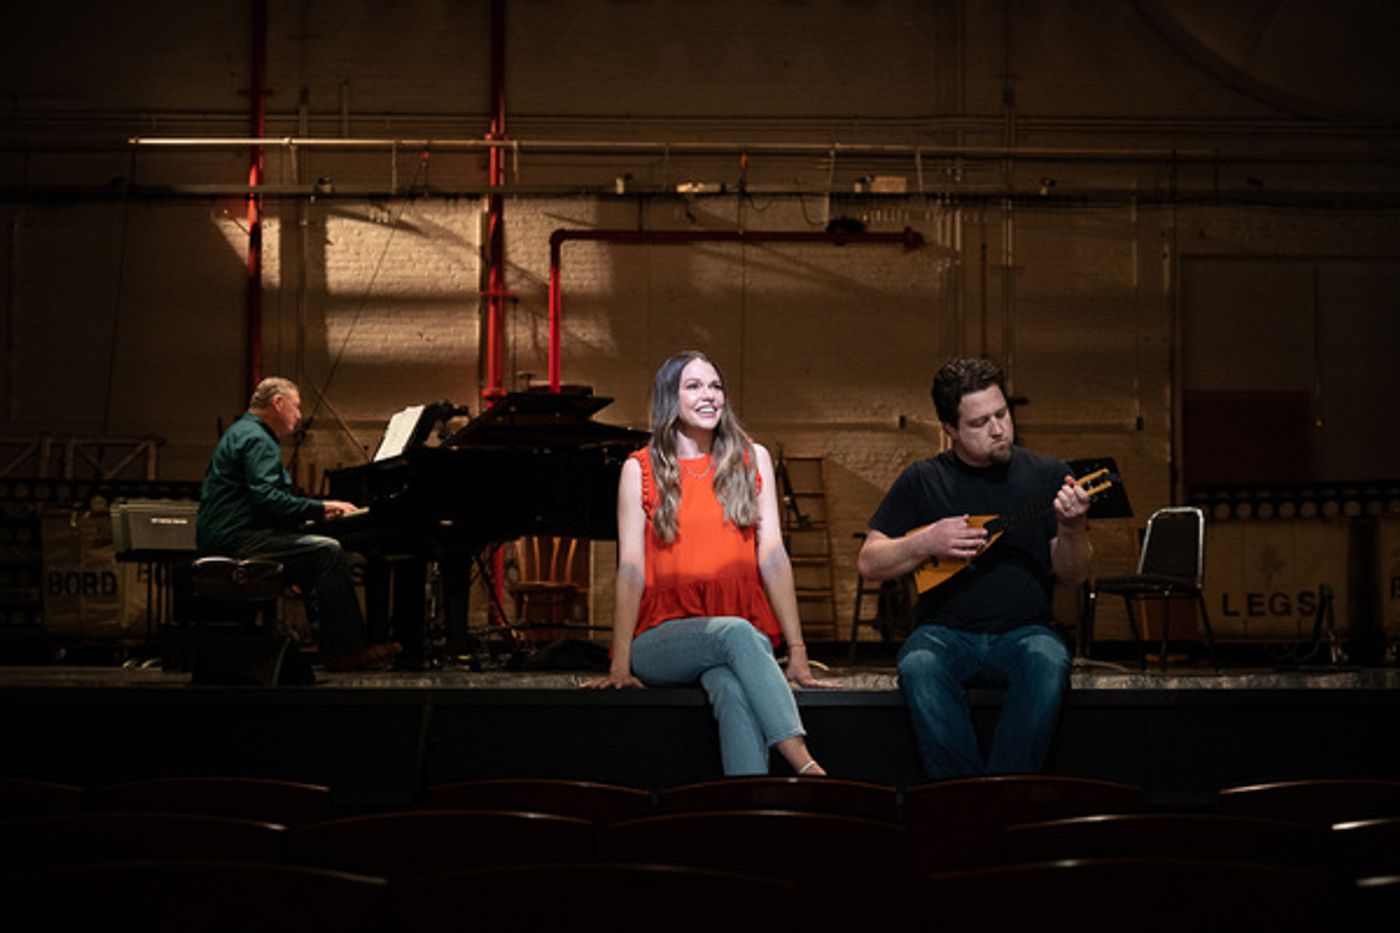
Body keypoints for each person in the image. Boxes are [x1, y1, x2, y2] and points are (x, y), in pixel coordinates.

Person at [587, 350, 830, 776]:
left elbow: (773, 555)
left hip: (739, 639)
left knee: (732, 689)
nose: (709, 395)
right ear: (671, 397)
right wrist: (620, 661)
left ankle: (747, 801)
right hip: (661, 638)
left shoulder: (752, 458)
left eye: (715, 386)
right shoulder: (639, 469)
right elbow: (630, 570)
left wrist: (797, 651)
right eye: (694, 386)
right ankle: (805, 764)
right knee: (736, 632)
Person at [856, 357, 1091, 778]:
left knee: (1047, 659)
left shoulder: (1049, 475)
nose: (998, 429)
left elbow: (1074, 575)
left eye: (1002, 414)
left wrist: (1072, 528)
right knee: (919, 663)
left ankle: (1004, 790)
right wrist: (925, 541)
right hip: (943, 633)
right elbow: (869, 562)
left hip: (1026, 631)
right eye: (980, 422)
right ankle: (961, 795)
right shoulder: (923, 479)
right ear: (950, 429)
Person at [196, 376, 398, 671]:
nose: (300, 415)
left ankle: (333, 648)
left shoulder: (242, 432)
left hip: (228, 535)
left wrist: (310, 513)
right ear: (278, 403)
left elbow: (263, 502)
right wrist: (320, 507)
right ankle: (347, 651)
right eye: (297, 406)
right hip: (237, 539)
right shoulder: (258, 438)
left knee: (313, 552)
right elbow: (267, 499)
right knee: (327, 551)